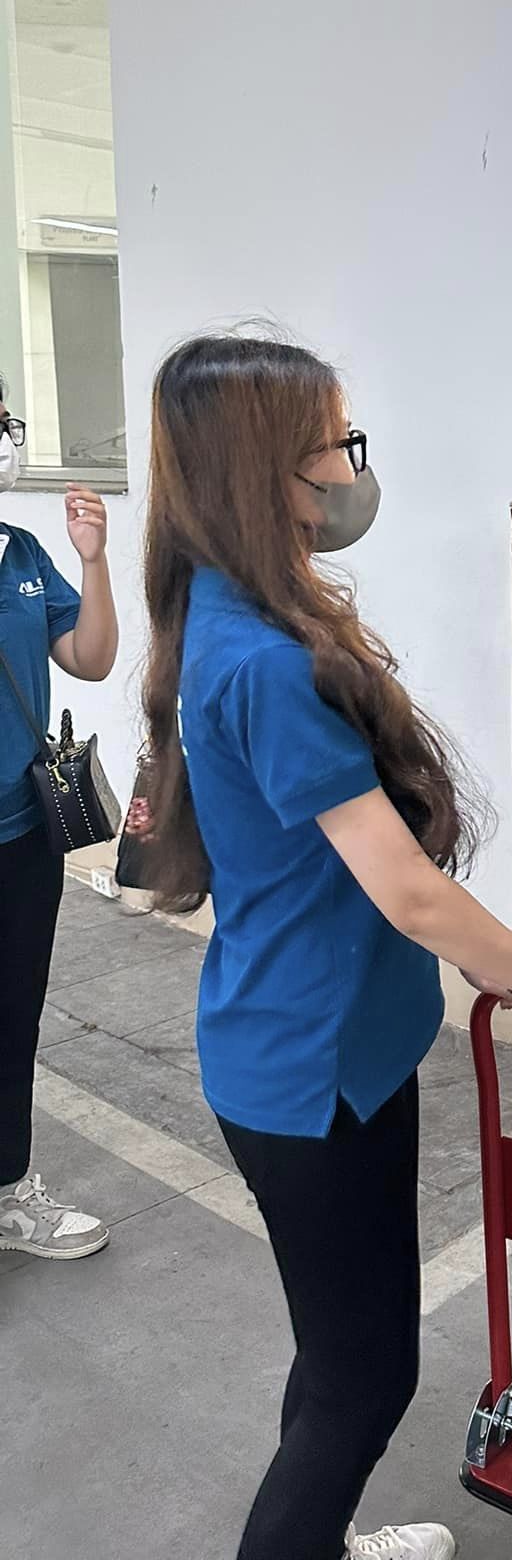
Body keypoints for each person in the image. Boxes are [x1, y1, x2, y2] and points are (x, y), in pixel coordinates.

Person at [141, 333, 512, 1560]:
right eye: (334, 442)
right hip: (311, 1073)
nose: (351, 466)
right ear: (263, 468)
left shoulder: (231, 604)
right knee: (366, 1377)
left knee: (335, 1353)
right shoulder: (263, 662)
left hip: (317, 1044)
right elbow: (409, 892)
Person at [0, 377, 119, 1261]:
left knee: (15, 1017)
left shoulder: (23, 555)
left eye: (2, 422)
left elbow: (91, 656)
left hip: (23, 837)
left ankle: (9, 1194)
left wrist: (93, 560)